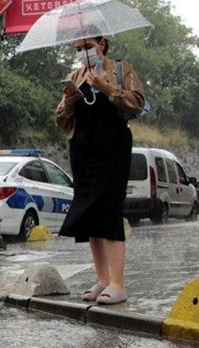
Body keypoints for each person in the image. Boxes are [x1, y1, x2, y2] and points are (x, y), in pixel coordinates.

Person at [55, 36, 147, 305]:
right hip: (83, 150)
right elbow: (61, 121)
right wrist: (69, 102)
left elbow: (138, 103)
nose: (82, 53)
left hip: (113, 147)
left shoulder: (121, 70)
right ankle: (102, 279)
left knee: (109, 211)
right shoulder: (75, 75)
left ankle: (118, 284)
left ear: (102, 44)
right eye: (78, 49)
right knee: (89, 213)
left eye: (86, 47)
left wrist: (107, 88)